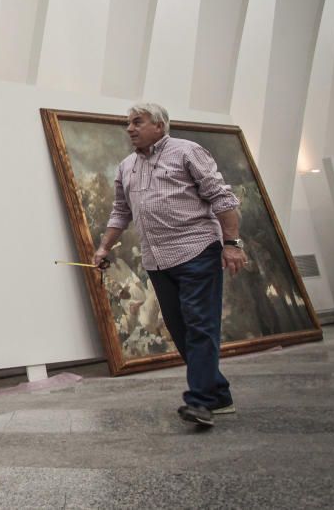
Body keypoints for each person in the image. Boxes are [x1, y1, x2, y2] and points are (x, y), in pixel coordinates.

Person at [93, 102, 247, 427]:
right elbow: (121, 211)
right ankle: (218, 395)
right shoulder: (126, 167)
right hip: (157, 261)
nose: (130, 129)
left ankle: (200, 403)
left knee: (200, 326)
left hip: (197, 252)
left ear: (159, 126)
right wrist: (104, 247)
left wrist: (232, 244)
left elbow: (222, 198)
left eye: (137, 122)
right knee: (180, 331)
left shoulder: (187, 152)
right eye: (128, 123)